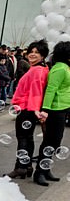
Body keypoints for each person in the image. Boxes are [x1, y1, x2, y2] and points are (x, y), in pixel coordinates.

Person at [6, 40, 50, 180]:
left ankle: (21, 167)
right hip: (28, 107)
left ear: (43, 56)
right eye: (31, 51)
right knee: (27, 137)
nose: (32, 54)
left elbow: (36, 92)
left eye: (37, 52)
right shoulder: (40, 68)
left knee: (23, 138)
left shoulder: (37, 70)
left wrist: (35, 109)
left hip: (27, 108)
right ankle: (27, 166)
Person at [34, 41, 70, 186]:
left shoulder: (65, 67)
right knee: (50, 141)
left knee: (55, 141)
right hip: (55, 109)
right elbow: (51, 89)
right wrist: (45, 110)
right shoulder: (59, 69)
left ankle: (46, 168)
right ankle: (39, 172)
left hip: (63, 108)